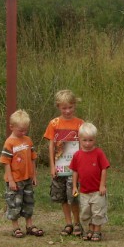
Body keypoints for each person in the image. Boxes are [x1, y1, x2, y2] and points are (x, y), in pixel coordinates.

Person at [43, 89, 85, 237]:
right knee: (62, 197)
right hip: (60, 167)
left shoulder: (80, 124)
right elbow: (51, 146)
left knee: (73, 195)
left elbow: (83, 146)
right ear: (58, 107)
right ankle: (68, 223)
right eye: (64, 108)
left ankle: (77, 223)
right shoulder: (53, 123)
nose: (67, 111)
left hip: (75, 169)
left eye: (70, 107)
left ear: (75, 106)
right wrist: (52, 166)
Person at [0, 109, 44, 238]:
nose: (23, 132)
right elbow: (6, 162)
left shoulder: (28, 141)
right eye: (20, 130)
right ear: (11, 127)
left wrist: (34, 175)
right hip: (15, 180)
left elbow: (33, 158)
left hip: (27, 178)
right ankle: (16, 227)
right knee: (15, 203)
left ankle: (29, 226)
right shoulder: (9, 142)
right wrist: (11, 180)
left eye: (25, 130)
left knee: (28, 202)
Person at [70, 122, 110, 242]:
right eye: (85, 140)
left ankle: (97, 231)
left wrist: (102, 185)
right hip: (84, 191)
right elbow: (75, 172)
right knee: (85, 213)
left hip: (97, 191)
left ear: (95, 140)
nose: (87, 143)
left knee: (97, 212)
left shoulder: (98, 153)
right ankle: (90, 230)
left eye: (90, 140)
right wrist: (74, 187)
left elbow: (104, 168)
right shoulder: (77, 155)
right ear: (79, 140)